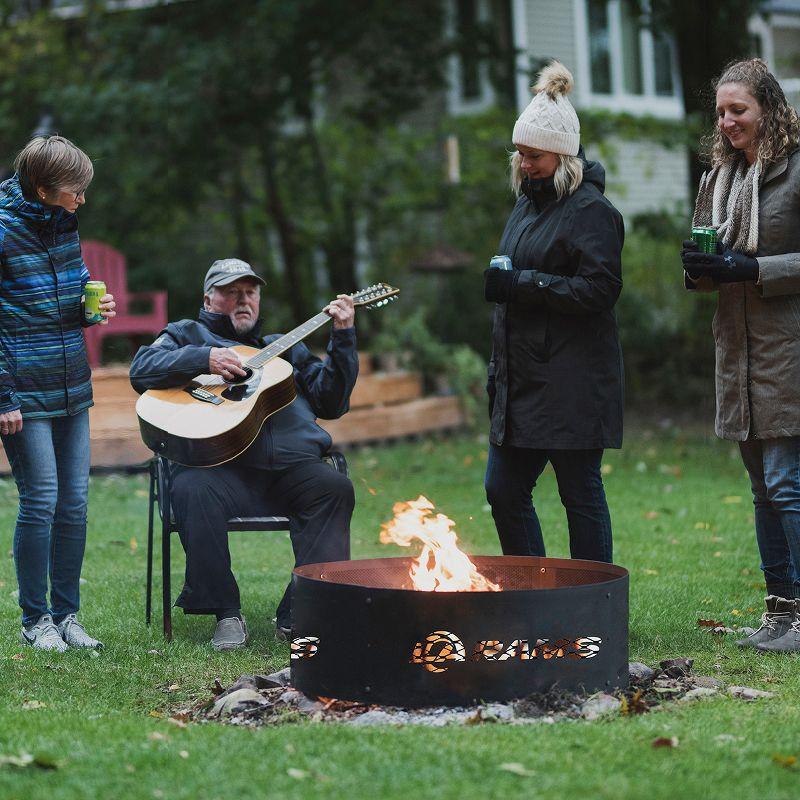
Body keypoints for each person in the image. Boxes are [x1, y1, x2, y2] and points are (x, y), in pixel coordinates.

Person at [129, 259, 357, 651]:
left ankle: (303, 609)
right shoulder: (186, 334)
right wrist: (203, 359)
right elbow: (142, 368)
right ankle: (226, 612)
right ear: (208, 298)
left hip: (291, 470)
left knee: (333, 488)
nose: (243, 300)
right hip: (220, 470)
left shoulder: (284, 346)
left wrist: (343, 337)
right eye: (231, 291)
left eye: (250, 292)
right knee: (191, 488)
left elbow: (332, 401)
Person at [483, 61, 624, 564]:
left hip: (572, 382)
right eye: (519, 153)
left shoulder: (593, 212)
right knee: (502, 490)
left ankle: (592, 605)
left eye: (534, 155)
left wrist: (521, 283)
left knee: (580, 495)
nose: (524, 163)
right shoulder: (526, 204)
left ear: (563, 156)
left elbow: (601, 290)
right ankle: (533, 591)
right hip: (520, 382)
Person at [681, 58, 800, 653]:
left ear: (768, 110)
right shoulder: (718, 179)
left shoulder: (796, 172)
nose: (727, 122)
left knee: (786, 484)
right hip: (738, 353)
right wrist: (701, 268)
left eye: (739, 110)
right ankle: (779, 613)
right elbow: (714, 267)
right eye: (721, 112)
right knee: (762, 489)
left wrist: (753, 268)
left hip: (790, 352)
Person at [0, 135, 116, 652]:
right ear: (44, 188)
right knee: (41, 500)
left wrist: (90, 309)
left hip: (73, 382)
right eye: (75, 190)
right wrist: (3, 397)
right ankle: (35, 620)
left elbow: (73, 289)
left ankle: (68, 616)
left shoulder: (63, 222)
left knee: (75, 505)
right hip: (24, 390)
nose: (82, 199)